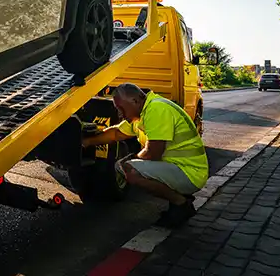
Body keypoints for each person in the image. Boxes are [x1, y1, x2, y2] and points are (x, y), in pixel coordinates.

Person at [82, 83, 209, 227]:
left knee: (131, 170)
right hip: (181, 168)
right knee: (126, 166)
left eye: (121, 108)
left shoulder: (156, 110)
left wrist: (132, 161)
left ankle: (181, 204)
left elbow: (152, 153)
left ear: (135, 101)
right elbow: (116, 133)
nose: (119, 114)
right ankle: (178, 200)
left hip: (190, 173)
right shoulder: (142, 113)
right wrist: (87, 141)